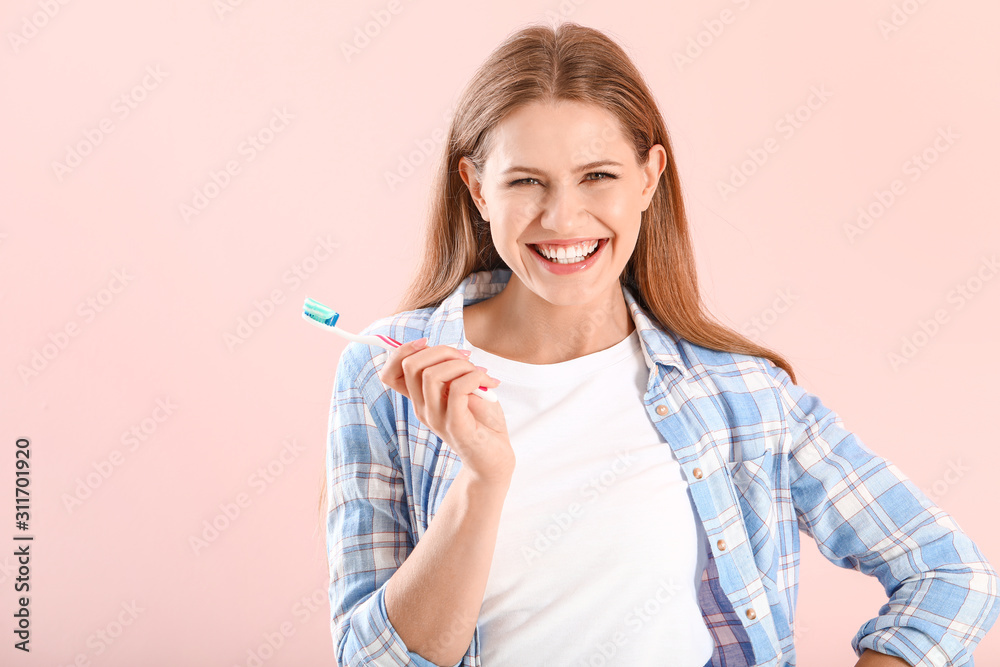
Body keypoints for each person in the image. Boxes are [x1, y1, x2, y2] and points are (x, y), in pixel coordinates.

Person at [321, 21, 999, 667]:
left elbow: (950, 573)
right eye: (526, 181)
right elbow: (372, 657)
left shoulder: (741, 393)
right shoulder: (386, 374)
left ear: (648, 177)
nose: (562, 218)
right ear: (476, 187)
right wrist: (482, 479)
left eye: (598, 176)